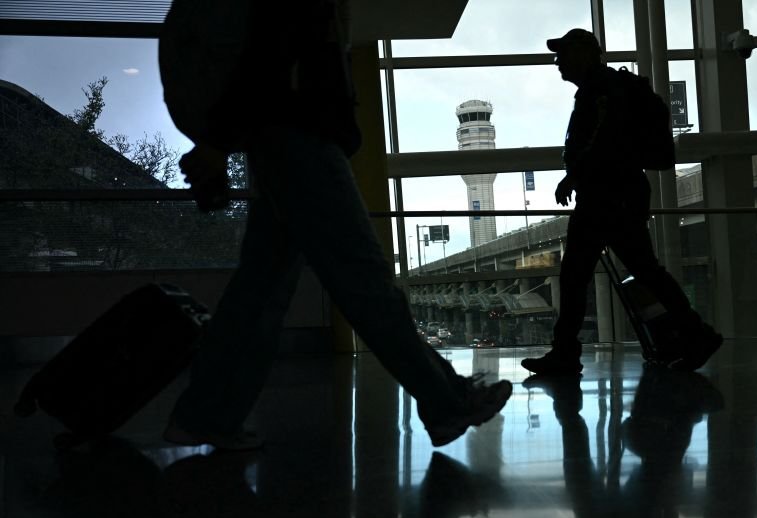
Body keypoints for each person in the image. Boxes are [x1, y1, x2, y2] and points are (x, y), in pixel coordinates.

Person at [159, 0, 511, 451]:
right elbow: (271, 54)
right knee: (364, 283)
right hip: (302, 138)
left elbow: (264, 55)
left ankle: (204, 414)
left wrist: (219, 140)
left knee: (261, 291)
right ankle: (447, 402)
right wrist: (218, 141)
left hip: (284, 139)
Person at [522, 29, 722, 376]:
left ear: (584, 54)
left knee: (581, 275)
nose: (558, 62)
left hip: (608, 197)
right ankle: (696, 334)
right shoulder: (604, 89)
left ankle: (567, 353)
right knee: (634, 271)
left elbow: (604, 142)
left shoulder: (604, 91)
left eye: (563, 54)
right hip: (615, 195)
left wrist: (574, 176)